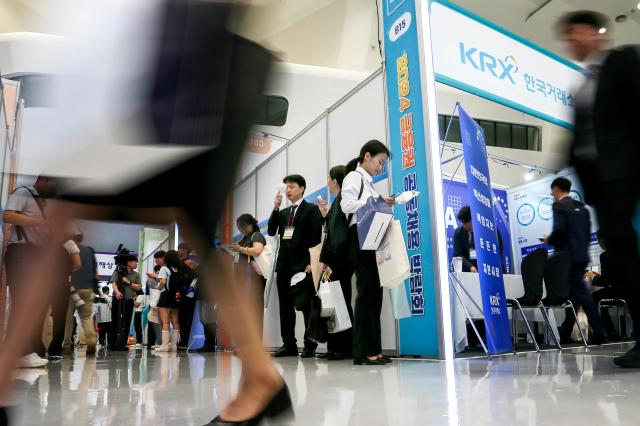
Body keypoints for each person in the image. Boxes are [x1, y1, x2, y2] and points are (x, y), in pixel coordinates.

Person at [0, 2, 288, 424]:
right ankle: (262, 379)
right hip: (179, 63)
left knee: (77, 207)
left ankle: (3, 381)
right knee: (190, 219)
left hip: (177, 66)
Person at [558, 10, 640, 368]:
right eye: (568, 36)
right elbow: (579, 142)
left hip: (626, 174)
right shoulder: (581, 87)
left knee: (625, 254)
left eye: (577, 33)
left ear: (595, 34)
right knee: (622, 258)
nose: (572, 41)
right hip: (603, 188)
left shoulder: (622, 62)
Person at [341, 140, 395, 366]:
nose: (381, 167)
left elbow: (368, 205)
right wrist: (375, 200)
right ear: (367, 156)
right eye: (379, 162)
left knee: (375, 293)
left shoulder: (369, 183)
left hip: (371, 238)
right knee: (365, 294)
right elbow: (347, 205)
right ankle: (363, 352)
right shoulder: (354, 177)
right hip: (360, 239)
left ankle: (375, 349)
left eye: (383, 164)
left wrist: (381, 201)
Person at [543, 177, 608, 344]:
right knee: (574, 295)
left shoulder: (559, 205)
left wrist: (549, 240)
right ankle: (565, 332)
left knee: (580, 293)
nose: (551, 194)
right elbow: (586, 235)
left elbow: (559, 230)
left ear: (556, 189)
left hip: (566, 258)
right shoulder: (582, 208)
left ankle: (601, 332)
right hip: (580, 256)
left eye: (552, 190)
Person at [2, 176, 57, 368]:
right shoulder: (23, 191)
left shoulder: (43, 202)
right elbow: (8, 215)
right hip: (22, 252)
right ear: (43, 180)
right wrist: (41, 223)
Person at [268, 174, 323, 358]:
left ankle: (310, 344)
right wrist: (275, 207)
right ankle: (289, 344)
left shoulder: (311, 210)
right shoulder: (283, 213)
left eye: (291, 186)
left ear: (301, 188)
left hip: (302, 266)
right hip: (284, 266)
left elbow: (316, 238)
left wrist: (311, 263)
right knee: (286, 307)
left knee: (306, 305)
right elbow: (270, 230)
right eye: (286, 187)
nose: (288, 190)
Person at [318, 165, 354, 361]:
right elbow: (331, 234)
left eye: (328, 178)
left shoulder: (341, 202)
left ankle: (343, 348)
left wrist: (330, 261)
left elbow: (338, 238)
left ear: (334, 181)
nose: (327, 182)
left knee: (341, 303)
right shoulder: (337, 203)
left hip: (340, 261)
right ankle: (336, 347)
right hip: (337, 260)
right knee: (335, 303)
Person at [62, 231, 99, 355]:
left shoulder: (67, 249)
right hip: (87, 289)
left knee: (68, 318)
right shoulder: (89, 250)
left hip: (72, 289)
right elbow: (96, 274)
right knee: (87, 317)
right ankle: (91, 341)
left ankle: (66, 345)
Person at [47, 234, 83, 360]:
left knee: (39, 314)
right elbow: (78, 264)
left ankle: (36, 347)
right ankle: (55, 349)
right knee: (60, 315)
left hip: (43, 281)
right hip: (62, 282)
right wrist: (64, 272)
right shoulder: (69, 243)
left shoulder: (41, 238)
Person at [231, 214, 267, 333]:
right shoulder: (245, 238)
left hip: (253, 277)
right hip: (244, 277)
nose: (240, 229)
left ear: (248, 225)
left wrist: (240, 249)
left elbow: (257, 250)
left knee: (254, 309)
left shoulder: (256, 235)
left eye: (241, 226)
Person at [587, 232, 624, 339]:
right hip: (630, 291)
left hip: (617, 291)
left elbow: (605, 281)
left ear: (603, 240)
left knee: (592, 298)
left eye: (598, 240)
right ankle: (610, 330)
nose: (598, 243)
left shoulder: (605, 255)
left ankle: (606, 331)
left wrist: (592, 277)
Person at [155, 250, 188, 352]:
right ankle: (174, 345)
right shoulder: (179, 269)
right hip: (177, 296)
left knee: (165, 321)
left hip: (165, 296)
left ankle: (165, 345)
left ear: (166, 258)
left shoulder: (164, 268)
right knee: (175, 321)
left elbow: (163, 282)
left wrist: (158, 287)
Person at [110, 255, 142, 351]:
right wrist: (117, 291)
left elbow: (138, 288)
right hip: (117, 299)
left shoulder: (136, 275)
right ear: (129, 263)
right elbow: (113, 282)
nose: (136, 264)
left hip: (129, 301)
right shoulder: (118, 271)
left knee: (127, 322)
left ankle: (123, 344)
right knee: (115, 320)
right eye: (134, 262)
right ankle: (113, 343)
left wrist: (128, 282)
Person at [176, 242, 197, 350]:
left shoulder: (189, 262)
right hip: (180, 294)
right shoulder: (178, 263)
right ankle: (182, 340)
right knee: (180, 318)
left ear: (184, 250)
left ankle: (185, 341)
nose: (178, 251)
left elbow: (193, 278)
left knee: (187, 318)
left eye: (180, 249)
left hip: (189, 295)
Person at [453, 206, 479, 273]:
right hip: (467, 272)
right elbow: (458, 254)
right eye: (463, 223)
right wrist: (470, 266)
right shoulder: (458, 233)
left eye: (468, 222)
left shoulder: (485, 231)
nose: (466, 226)